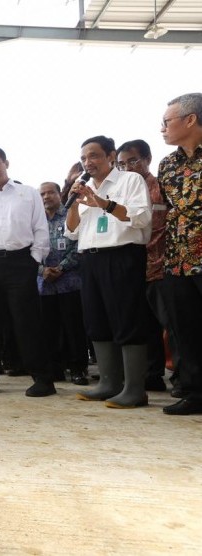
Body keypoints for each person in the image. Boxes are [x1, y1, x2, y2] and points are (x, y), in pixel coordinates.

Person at [64, 135, 152, 409]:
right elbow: (71, 231)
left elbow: (141, 217)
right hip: (90, 260)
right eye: (83, 158)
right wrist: (75, 201)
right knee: (96, 321)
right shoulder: (85, 188)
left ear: (110, 156)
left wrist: (103, 203)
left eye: (94, 156)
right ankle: (108, 383)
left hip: (122, 255)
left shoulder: (130, 181)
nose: (88, 163)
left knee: (127, 319)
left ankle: (135, 389)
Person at [0, 147, 55, 397]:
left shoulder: (28, 194)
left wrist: (34, 259)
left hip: (20, 264)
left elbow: (40, 228)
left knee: (27, 322)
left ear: (6, 163)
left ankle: (43, 379)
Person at [157, 92, 202, 415]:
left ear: (190, 120)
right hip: (177, 261)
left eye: (167, 122)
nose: (162, 128)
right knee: (185, 330)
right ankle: (195, 392)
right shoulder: (168, 164)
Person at [117, 139, 169, 392]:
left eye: (133, 160)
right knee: (143, 324)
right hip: (134, 266)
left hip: (164, 266)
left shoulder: (162, 185)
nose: (128, 167)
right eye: (122, 164)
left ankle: (184, 378)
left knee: (172, 325)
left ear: (147, 159)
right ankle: (151, 375)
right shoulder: (120, 192)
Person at [38, 182, 89, 385]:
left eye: (51, 192)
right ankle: (54, 369)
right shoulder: (35, 220)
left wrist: (61, 268)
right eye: (42, 193)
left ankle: (78, 369)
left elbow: (80, 244)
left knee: (74, 328)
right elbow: (26, 248)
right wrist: (43, 270)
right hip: (44, 284)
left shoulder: (72, 213)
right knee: (48, 329)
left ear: (60, 194)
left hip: (70, 282)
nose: (46, 197)